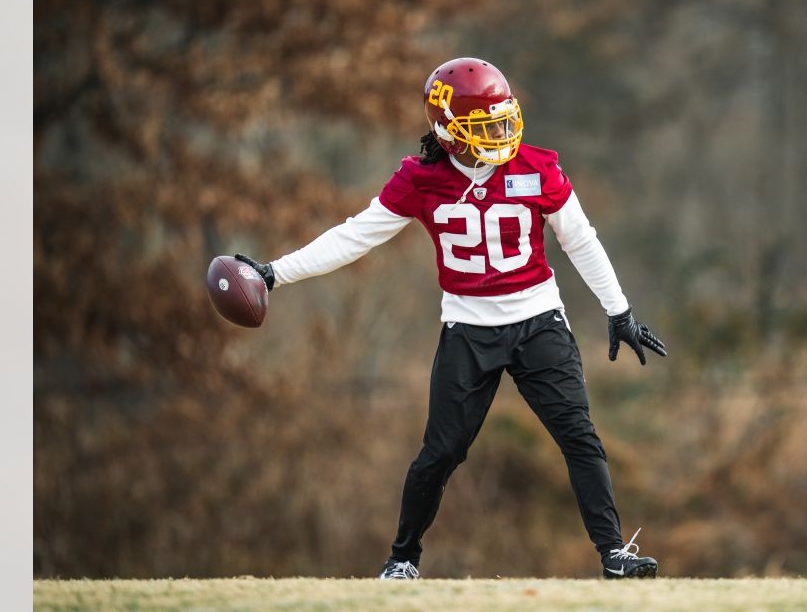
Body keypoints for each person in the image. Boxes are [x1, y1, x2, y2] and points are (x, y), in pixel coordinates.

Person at [235, 57, 666, 580]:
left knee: (579, 436)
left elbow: (580, 238)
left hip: (539, 320)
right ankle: (402, 558)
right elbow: (354, 236)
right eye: (486, 126)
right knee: (440, 454)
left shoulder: (537, 167)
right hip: (468, 330)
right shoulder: (420, 180)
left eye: (504, 120)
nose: (501, 134)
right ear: (447, 129)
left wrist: (619, 310)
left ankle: (613, 554)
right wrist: (275, 273)